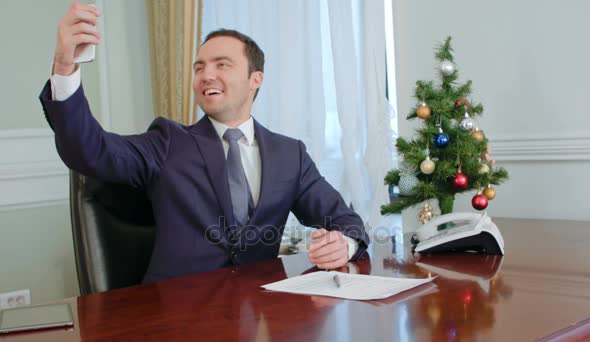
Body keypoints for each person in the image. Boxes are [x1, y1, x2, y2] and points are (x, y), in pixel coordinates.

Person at [40, 2, 369, 283]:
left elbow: (345, 220)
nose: (206, 75)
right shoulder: (167, 141)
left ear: (256, 79)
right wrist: (65, 66)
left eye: (222, 65)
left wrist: (344, 244)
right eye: (199, 67)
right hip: (175, 315)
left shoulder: (289, 154)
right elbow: (88, 151)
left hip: (261, 315)